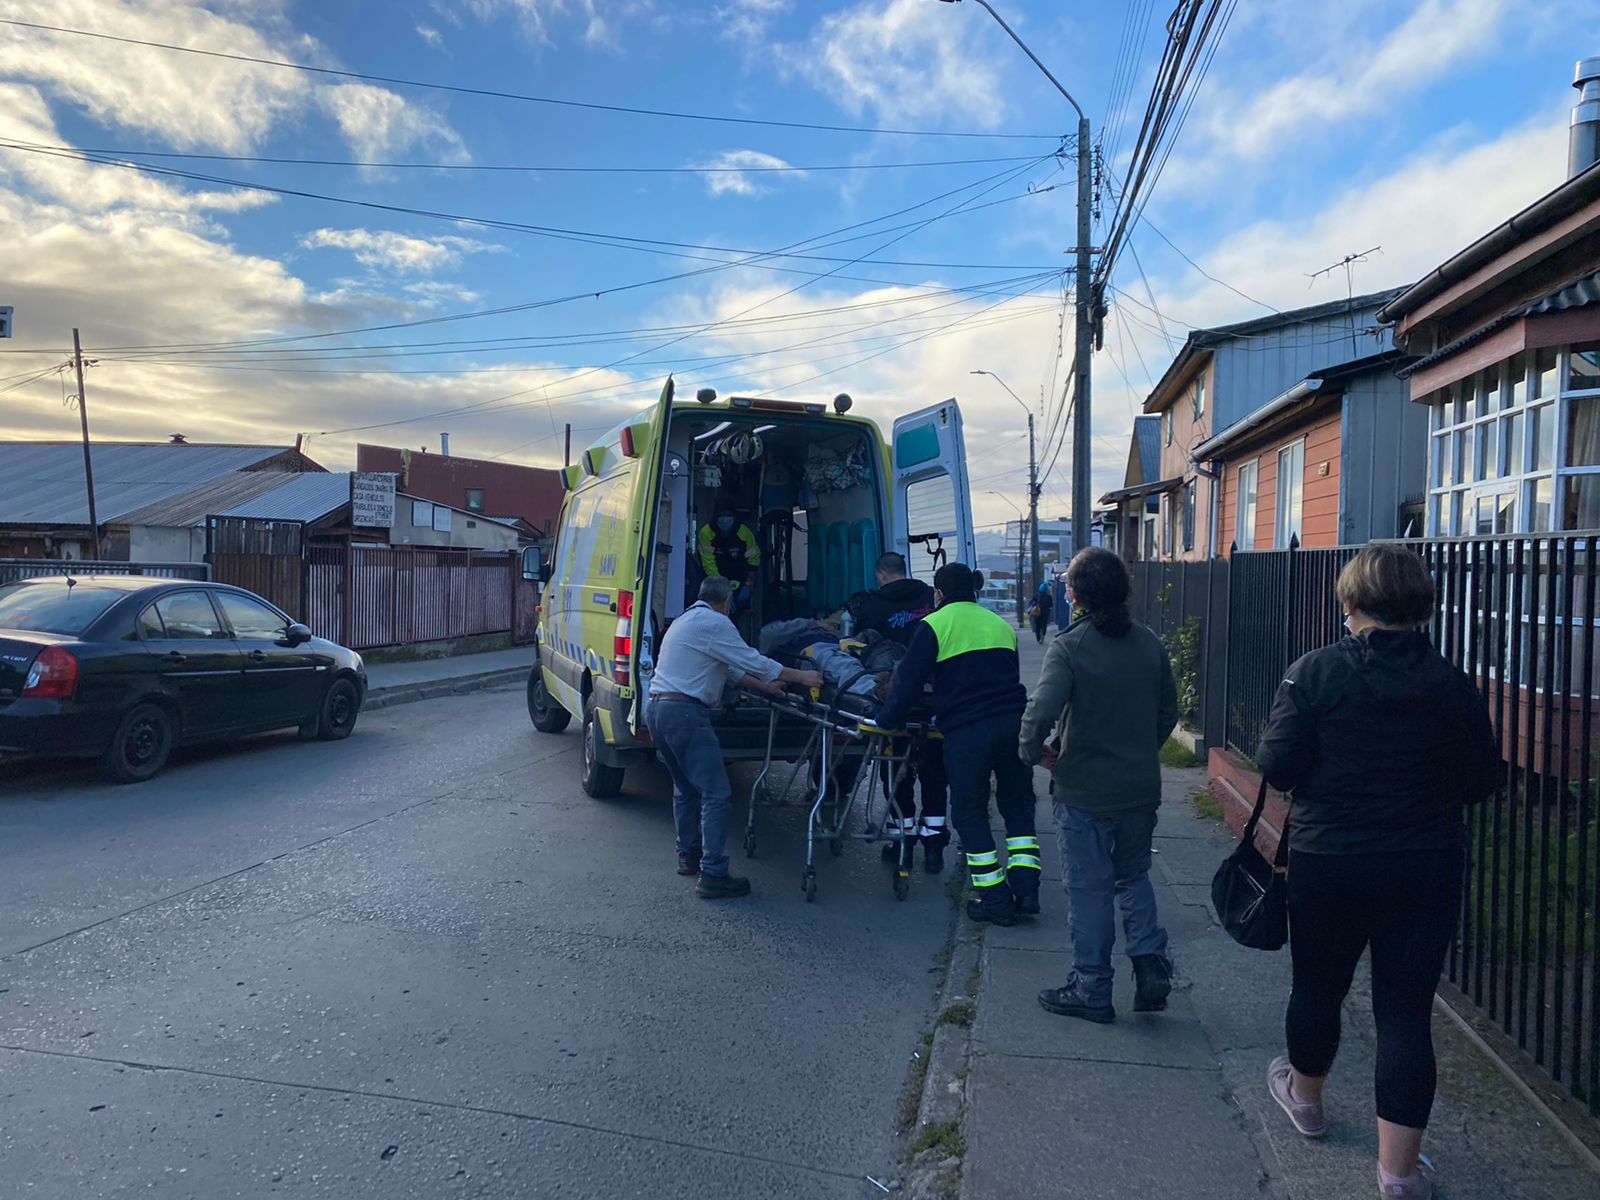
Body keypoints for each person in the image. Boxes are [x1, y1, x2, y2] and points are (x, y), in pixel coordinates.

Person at [1254, 545, 1495, 1200]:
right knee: (1405, 1009)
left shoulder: (1315, 674)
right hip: (1422, 864)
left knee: (1318, 985)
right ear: (1423, 607)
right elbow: (1483, 780)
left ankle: (1305, 1099)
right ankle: (1398, 1173)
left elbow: (1276, 765)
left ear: (1350, 602)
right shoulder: (1451, 684)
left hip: (1328, 860)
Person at [1019, 547, 1178, 1025]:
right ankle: (1150, 964)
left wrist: (1033, 752)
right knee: (1133, 878)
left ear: (1074, 595)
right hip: (1138, 789)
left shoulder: (1071, 646)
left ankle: (1092, 988)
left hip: (1084, 790)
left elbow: (1041, 711)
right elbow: (1168, 712)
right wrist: (1139, 749)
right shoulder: (1149, 642)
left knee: (1089, 890)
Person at [876, 562, 1037, 925]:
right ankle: (1027, 890)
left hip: (968, 731)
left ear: (938, 593)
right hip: (1013, 725)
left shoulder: (934, 625)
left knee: (969, 812)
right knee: (1017, 805)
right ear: (976, 591)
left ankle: (995, 898)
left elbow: (908, 683)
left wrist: (887, 720)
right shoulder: (1000, 624)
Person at [649, 576, 821, 899]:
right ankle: (713, 873)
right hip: (686, 714)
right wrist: (801, 675)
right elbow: (753, 661)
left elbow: (730, 671)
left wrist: (766, 687)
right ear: (727, 603)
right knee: (715, 792)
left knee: (686, 788)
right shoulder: (716, 623)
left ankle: (688, 856)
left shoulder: (685, 622)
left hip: (658, 710)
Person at [846, 552, 949, 871]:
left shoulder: (872, 606)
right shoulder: (930, 598)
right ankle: (934, 849)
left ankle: (901, 841)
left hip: (895, 699)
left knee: (896, 771)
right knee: (934, 773)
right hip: (932, 699)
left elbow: (863, 650)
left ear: (880, 574)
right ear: (905, 570)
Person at [697, 505, 761, 607]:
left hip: (741, 580)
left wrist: (749, 582)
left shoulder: (744, 532)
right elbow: (708, 563)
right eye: (722, 516)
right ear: (715, 517)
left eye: (728, 516)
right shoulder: (706, 533)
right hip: (716, 581)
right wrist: (721, 589)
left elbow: (754, 558)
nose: (725, 519)